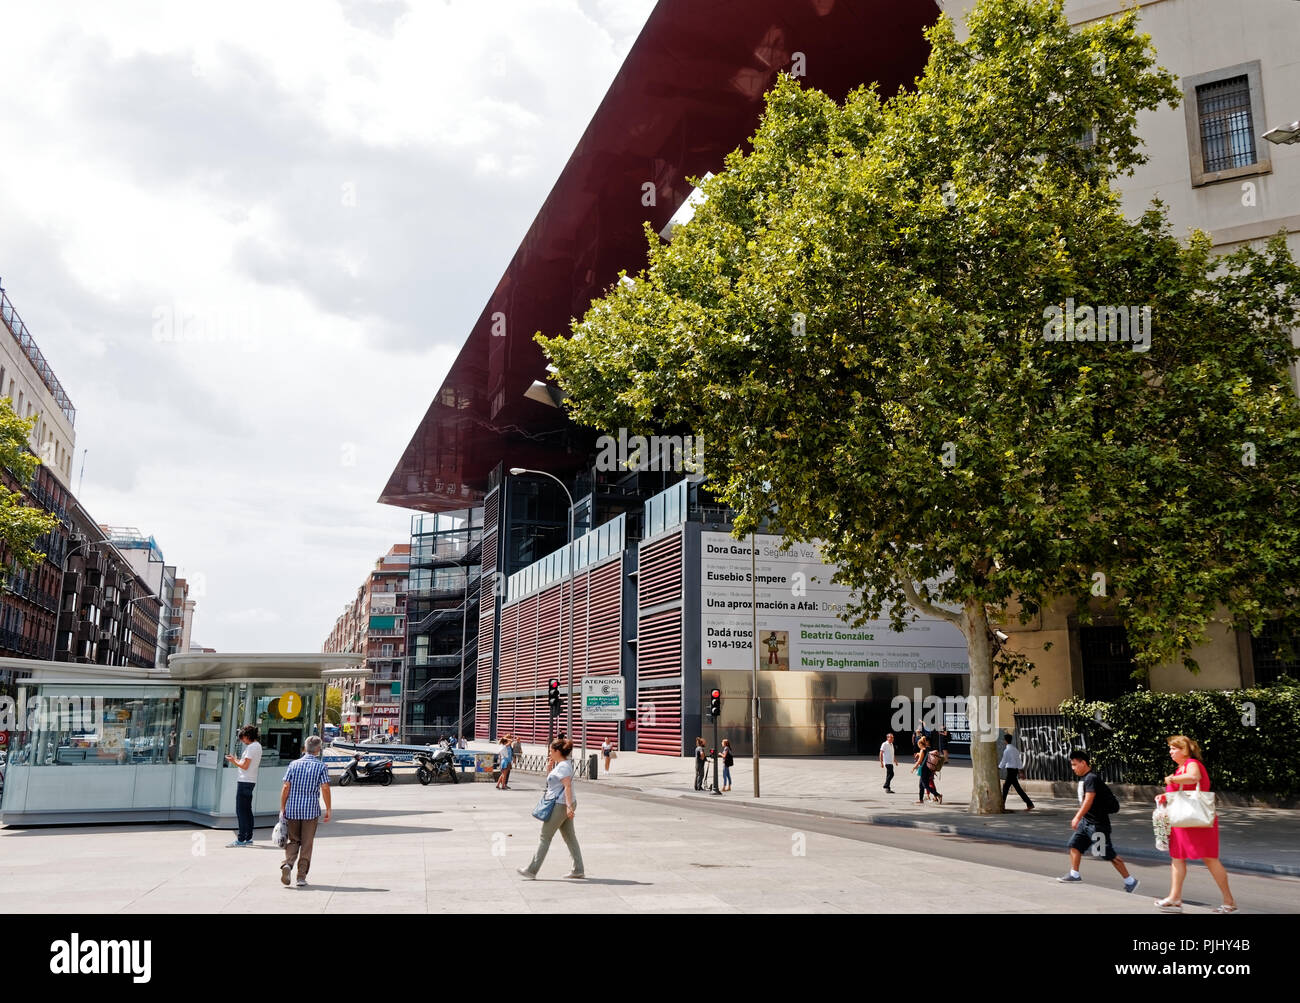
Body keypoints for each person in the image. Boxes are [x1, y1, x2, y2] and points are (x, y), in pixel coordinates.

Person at [1155, 735, 1237, 913]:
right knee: (1177, 858)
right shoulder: (1179, 769)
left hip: (1197, 821)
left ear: (1185, 750)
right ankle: (1175, 898)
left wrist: (1171, 780)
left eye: (1174, 748)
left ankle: (1229, 902)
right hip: (1182, 820)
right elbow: (1182, 792)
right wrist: (1164, 796)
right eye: (1170, 748)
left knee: (1209, 859)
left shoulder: (1191, 764)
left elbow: (1193, 778)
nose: (1170, 751)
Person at [1057, 750, 1138, 892]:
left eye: (1075, 764)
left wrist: (1077, 816)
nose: (1073, 768)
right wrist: (1081, 819)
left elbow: (1089, 799)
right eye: (1072, 765)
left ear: (1083, 763)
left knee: (1105, 853)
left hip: (1097, 825)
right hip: (1086, 823)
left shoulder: (1091, 778)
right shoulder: (1084, 778)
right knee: (1074, 845)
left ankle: (1130, 881)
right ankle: (1074, 874)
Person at [517, 738, 584, 880]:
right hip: (562, 803)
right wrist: (549, 767)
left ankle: (531, 870)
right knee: (570, 837)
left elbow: (567, 787)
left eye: (551, 751)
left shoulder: (564, 766)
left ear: (557, 751)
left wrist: (568, 807)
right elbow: (554, 784)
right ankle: (578, 869)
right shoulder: (560, 765)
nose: (549, 753)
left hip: (560, 804)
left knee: (545, 836)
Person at [279, 735, 332, 888]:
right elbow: (325, 788)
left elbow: (286, 787)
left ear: (305, 747)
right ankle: (301, 877)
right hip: (310, 811)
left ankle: (288, 864)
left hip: (293, 809)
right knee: (307, 844)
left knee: (293, 840)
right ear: (319, 749)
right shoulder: (321, 766)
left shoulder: (293, 764)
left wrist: (283, 807)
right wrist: (328, 808)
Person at [225, 724, 263, 846]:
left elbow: (245, 766)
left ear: (247, 736)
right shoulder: (258, 746)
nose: (242, 741)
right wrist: (237, 760)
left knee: (241, 810)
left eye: (243, 738)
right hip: (251, 780)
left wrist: (233, 761)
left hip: (245, 780)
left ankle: (241, 838)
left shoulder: (251, 748)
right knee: (247, 810)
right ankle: (248, 837)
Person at [999, 732, 1034, 811]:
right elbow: (1019, 762)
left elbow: (1004, 761)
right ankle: (1029, 804)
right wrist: (1021, 771)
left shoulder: (1007, 750)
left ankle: (1002, 805)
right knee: (1018, 789)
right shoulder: (1015, 750)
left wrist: (999, 767)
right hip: (1014, 771)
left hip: (1010, 771)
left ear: (1005, 741)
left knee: (1005, 788)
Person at [914, 736, 941, 804]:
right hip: (928, 769)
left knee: (926, 785)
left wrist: (914, 767)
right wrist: (918, 754)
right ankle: (921, 800)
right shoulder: (927, 749)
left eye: (918, 745)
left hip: (924, 769)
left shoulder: (922, 750)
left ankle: (938, 795)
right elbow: (923, 756)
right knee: (921, 785)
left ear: (920, 744)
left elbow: (920, 761)